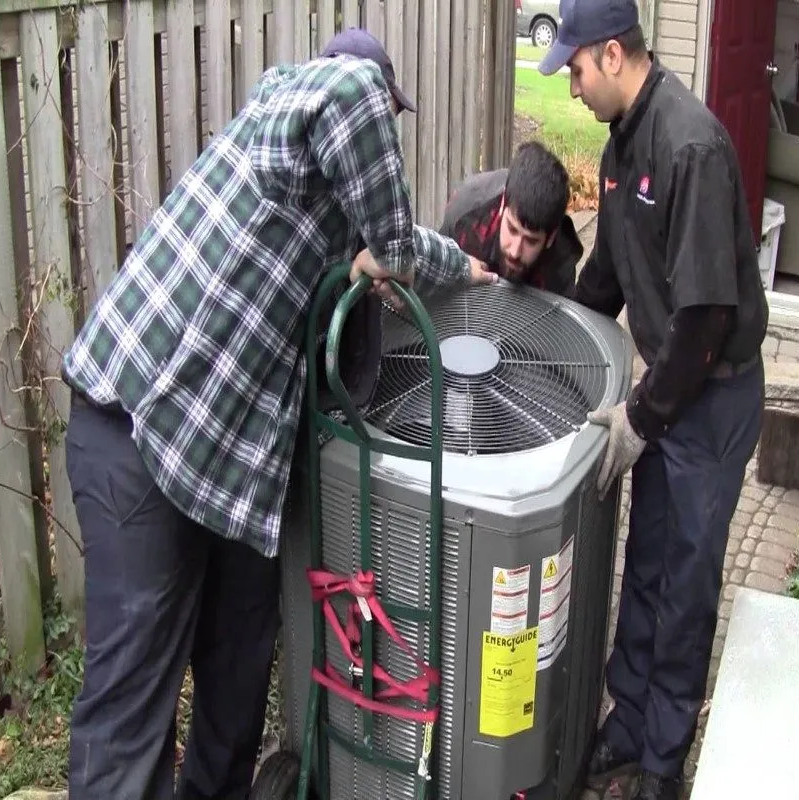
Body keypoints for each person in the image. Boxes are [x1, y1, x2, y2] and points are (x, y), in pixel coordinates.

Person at [59, 28, 495, 800]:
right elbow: (348, 98)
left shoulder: (316, 197)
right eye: (386, 117)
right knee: (132, 711)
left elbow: (392, 252)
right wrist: (390, 245)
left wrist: (459, 266)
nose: (382, 133)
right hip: (138, 433)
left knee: (237, 671)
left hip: (221, 472)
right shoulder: (292, 119)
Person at [537, 1, 769, 798]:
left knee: (687, 583)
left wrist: (640, 416)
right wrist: (541, 341)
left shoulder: (691, 145)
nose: (568, 86)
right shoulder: (620, 146)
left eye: (572, 68)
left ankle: (665, 760)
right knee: (645, 565)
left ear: (610, 54)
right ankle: (627, 722)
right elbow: (606, 278)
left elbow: (708, 318)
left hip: (711, 398)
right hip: (669, 390)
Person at [439, 140, 584, 295]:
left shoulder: (560, 263)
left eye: (531, 240)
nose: (515, 251)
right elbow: (434, 279)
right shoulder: (464, 215)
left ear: (550, 238)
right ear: (502, 206)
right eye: (512, 229)